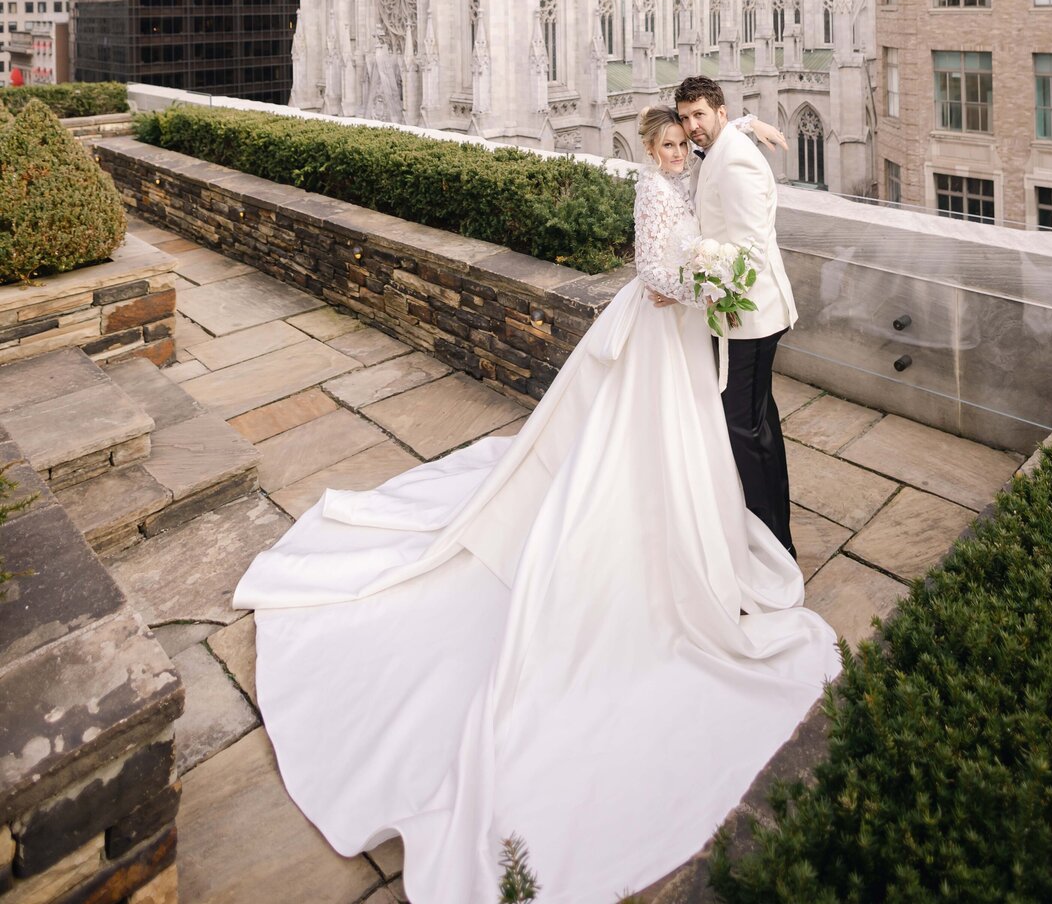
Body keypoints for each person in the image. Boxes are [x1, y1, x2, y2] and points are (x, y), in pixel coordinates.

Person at [233, 107, 839, 904]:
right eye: (665, 140)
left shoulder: (685, 173)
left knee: (679, 440)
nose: (674, 147)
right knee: (638, 448)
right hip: (662, 319)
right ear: (651, 147)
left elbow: (685, 237)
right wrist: (691, 279)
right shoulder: (655, 191)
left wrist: (724, 191)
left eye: (680, 137)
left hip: (677, 328)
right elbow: (656, 267)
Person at [663, 76, 797, 558]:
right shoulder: (724, 142)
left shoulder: (736, 162)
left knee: (744, 426)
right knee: (757, 422)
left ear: (718, 111)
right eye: (684, 117)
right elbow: (722, 133)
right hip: (741, 314)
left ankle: (775, 544)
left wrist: (699, 290)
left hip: (751, 316)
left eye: (699, 115)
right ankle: (769, 530)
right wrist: (746, 121)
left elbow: (749, 250)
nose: (691, 127)